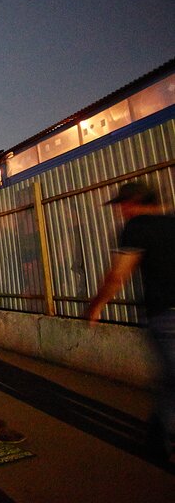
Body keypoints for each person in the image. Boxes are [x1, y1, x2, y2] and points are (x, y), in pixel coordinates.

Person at [85, 181, 175, 460]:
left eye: (120, 205)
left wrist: (96, 305)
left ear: (131, 202)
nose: (119, 212)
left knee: (171, 382)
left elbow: (118, 276)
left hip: (166, 316)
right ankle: (157, 438)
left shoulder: (137, 227)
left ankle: (162, 442)